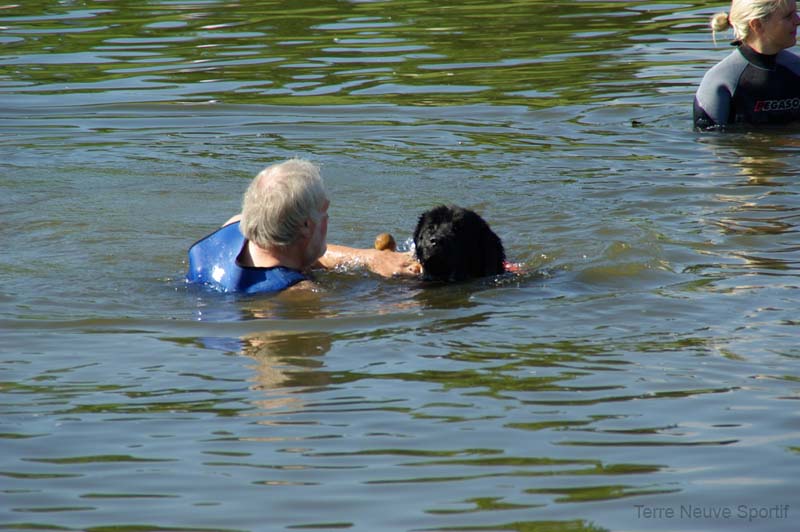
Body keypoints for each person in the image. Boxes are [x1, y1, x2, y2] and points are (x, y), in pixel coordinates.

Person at [186, 158, 419, 294]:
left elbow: (300, 254)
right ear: (307, 225)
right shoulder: (299, 293)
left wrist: (370, 258)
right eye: (324, 211)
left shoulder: (233, 226)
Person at [693, 0, 800, 130]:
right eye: (788, 16)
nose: (798, 20)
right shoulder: (720, 81)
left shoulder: (796, 68)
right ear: (757, 25)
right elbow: (711, 141)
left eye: (796, 13)